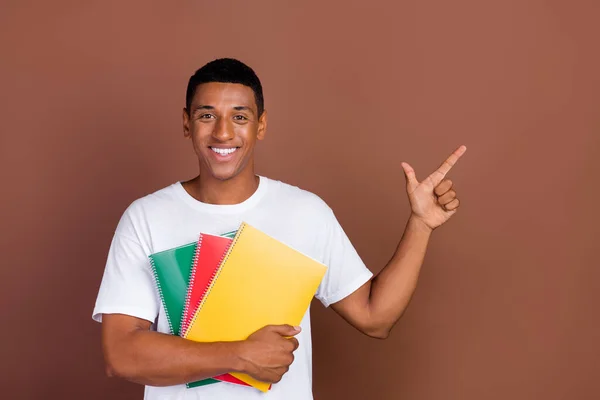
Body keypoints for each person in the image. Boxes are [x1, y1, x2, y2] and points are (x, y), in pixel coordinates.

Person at [92, 58, 466, 400]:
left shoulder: (305, 213)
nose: (223, 133)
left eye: (240, 117)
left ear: (261, 125)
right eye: (207, 116)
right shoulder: (146, 218)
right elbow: (122, 355)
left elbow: (375, 318)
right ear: (187, 123)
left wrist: (421, 224)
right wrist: (242, 354)